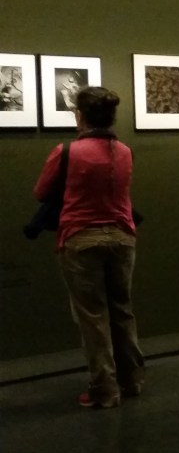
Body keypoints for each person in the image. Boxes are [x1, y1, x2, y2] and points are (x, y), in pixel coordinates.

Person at [34, 85, 144, 409]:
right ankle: (132, 380)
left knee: (92, 317)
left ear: (80, 115)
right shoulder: (124, 151)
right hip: (122, 238)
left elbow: (41, 192)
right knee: (122, 310)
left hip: (81, 239)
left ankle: (104, 389)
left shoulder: (67, 152)